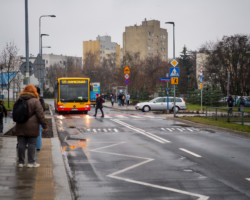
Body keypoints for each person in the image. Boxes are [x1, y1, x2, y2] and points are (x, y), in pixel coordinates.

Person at [14, 84, 48, 168]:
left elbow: (14, 113)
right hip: (32, 126)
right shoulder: (35, 101)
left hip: (20, 125)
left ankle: (21, 162)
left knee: (21, 144)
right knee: (32, 144)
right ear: (34, 91)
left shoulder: (19, 100)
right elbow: (40, 115)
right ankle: (31, 162)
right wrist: (45, 126)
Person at [35, 86, 45, 151]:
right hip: (38, 119)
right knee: (38, 133)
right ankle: (38, 147)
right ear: (39, 92)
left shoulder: (28, 99)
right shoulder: (40, 100)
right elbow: (43, 109)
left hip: (29, 120)